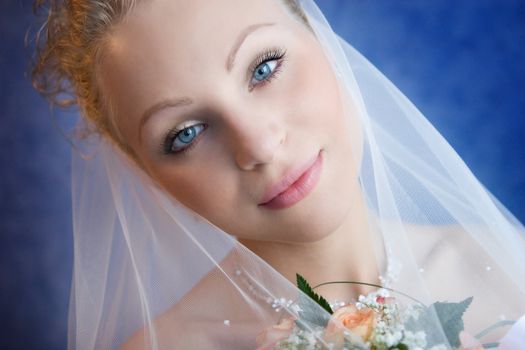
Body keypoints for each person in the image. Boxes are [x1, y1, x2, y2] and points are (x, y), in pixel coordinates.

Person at [30, 0, 525, 349]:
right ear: (149, 176)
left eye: (264, 68)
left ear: (320, 37)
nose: (260, 146)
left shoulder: (509, 266)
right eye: (186, 133)